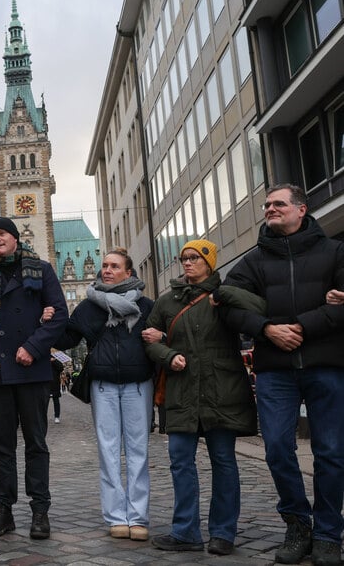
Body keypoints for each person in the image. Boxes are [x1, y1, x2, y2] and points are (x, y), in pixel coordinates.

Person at [223, 184, 344, 566]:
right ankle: (297, 524)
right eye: (266, 205)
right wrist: (267, 329)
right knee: (276, 448)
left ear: (301, 209)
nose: (269, 209)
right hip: (275, 370)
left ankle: (328, 534)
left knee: (331, 453)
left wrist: (303, 327)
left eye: (278, 204)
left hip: (327, 365)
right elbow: (227, 304)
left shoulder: (335, 252)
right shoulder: (253, 261)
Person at [143, 239, 264, 556]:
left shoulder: (223, 297)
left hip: (220, 391)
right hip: (182, 393)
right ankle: (185, 532)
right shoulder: (168, 302)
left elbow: (259, 310)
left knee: (223, 462)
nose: (187, 263)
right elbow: (149, 337)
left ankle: (223, 533)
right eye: (183, 258)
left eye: (194, 257)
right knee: (181, 462)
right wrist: (167, 355)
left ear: (209, 261)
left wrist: (222, 295)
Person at [0, 216, 67, 540]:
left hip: (32, 372)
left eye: (2, 233)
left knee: (36, 444)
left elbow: (59, 314)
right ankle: (2, 510)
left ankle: (40, 512)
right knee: (1, 447)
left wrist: (33, 347)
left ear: (15, 238)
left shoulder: (42, 270)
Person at [53, 248, 154, 541]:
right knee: (108, 451)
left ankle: (138, 516)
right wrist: (48, 317)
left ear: (129, 273)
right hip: (103, 385)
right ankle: (115, 516)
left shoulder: (146, 306)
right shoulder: (88, 307)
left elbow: (162, 335)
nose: (107, 270)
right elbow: (67, 339)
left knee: (138, 451)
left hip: (138, 383)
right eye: (104, 266)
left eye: (114, 266)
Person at [49, 358, 64, 424]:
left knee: (56, 401)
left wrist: (54, 361)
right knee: (43, 402)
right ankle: (42, 417)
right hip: (45, 384)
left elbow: (61, 368)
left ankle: (57, 416)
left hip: (55, 384)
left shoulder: (55, 359)